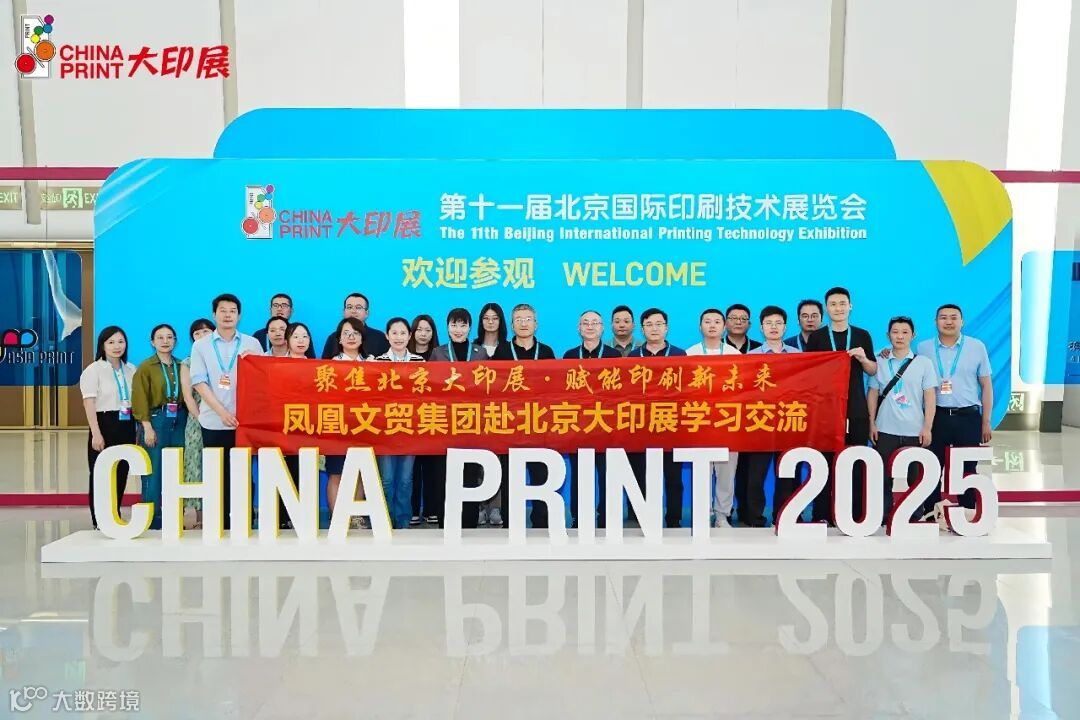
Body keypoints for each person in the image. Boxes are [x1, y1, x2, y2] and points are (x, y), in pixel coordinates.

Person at [189, 293, 263, 530]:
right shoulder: (201, 345)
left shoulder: (252, 343)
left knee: (243, 475)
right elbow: (199, 382)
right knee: (217, 475)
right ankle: (218, 523)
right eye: (223, 310)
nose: (228, 315)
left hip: (244, 422)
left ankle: (243, 523)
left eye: (232, 311)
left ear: (239, 316)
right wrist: (222, 412)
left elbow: (263, 379)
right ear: (214, 314)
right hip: (214, 420)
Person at [805, 287, 877, 524]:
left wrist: (862, 358)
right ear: (827, 308)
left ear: (850, 306)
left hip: (855, 409)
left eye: (842, 303)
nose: (838, 308)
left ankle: (854, 515)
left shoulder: (862, 335)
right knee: (823, 463)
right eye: (833, 304)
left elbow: (873, 370)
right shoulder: (817, 337)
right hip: (826, 410)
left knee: (855, 461)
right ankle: (821, 515)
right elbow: (809, 373)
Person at [916, 304, 993, 517]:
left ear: (962, 321)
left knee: (967, 468)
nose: (948, 322)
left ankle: (967, 514)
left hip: (968, 417)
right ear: (935, 322)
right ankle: (931, 513)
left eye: (953, 317)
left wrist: (986, 421)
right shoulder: (923, 348)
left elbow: (986, 385)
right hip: (936, 417)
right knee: (932, 466)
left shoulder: (976, 347)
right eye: (943, 317)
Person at [492, 304, 557, 529]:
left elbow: (555, 387)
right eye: (518, 319)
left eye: (528, 319)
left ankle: (541, 523)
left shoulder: (546, 352)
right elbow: (494, 386)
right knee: (511, 477)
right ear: (512, 325)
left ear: (536, 324)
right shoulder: (501, 352)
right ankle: (511, 523)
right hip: (511, 425)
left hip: (539, 425)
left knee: (541, 476)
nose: (523, 323)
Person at [868, 316, 937, 522]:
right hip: (884, 429)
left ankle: (914, 515)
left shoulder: (923, 363)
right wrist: (871, 423)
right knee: (882, 477)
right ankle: (882, 515)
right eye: (895, 332)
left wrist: (927, 427)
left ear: (913, 335)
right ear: (888, 335)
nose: (900, 336)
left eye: (905, 332)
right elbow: (872, 393)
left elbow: (930, 396)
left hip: (914, 430)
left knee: (915, 477)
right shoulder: (879, 361)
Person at [742, 307, 801, 528]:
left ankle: (783, 515)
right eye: (769, 323)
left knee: (787, 472)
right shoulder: (751, 357)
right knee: (756, 474)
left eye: (778, 323)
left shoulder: (798, 356)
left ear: (785, 327)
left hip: (788, 420)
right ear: (761, 327)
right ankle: (755, 518)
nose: (774, 327)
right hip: (761, 421)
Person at [628, 308, 687, 528]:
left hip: (670, 424)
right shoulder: (633, 357)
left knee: (673, 477)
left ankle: (673, 518)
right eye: (649, 324)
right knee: (641, 473)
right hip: (641, 425)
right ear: (642, 329)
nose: (654, 328)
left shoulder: (679, 355)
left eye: (659, 324)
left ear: (666, 328)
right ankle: (642, 517)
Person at [430, 308, 489, 528]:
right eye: (454, 325)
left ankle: (470, 520)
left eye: (463, 325)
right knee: (444, 473)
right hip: (444, 422)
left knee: (470, 473)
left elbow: (487, 385)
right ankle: (445, 520)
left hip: (472, 422)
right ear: (447, 327)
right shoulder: (438, 353)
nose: (458, 330)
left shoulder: (480, 353)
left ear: (470, 328)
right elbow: (430, 385)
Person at [562, 310, 621, 529]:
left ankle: (606, 518)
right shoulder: (569, 356)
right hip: (578, 427)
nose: (590, 326)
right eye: (585, 323)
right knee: (580, 475)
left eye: (594, 322)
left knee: (607, 475)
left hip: (606, 426)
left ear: (602, 328)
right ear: (578, 328)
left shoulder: (614, 356)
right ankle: (579, 518)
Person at [686, 308, 740, 528]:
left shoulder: (734, 354)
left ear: (724, 327)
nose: (712, 325)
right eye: (707, 321)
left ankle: (721, 515)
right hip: (699, 420)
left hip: (727, 421)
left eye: (717, 321)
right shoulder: (689, 354)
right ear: (700, 326)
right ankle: (702, 513)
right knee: (702, 470)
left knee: (726, 471)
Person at [80, 326, 138, 529]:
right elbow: (89, 403)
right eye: (111, 342)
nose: (116, 346)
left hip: (127, 423)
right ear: (102, 345)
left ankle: (115, 515)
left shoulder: (130, 369)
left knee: (121, 471)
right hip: (104, 423)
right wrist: (96, 433)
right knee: (100, 473)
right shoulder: (93, 370)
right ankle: (99, 520)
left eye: (120, 342)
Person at [131, 323, 187, 530]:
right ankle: (153, 519)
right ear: (152, 342)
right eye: (160, 338)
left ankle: (174, 516)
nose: (165, 341)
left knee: (177, 468)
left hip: (180, 419)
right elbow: (139, 398)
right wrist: (147, 427)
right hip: (156, 420)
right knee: (154, 471)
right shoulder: (146, 367)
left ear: (175, 341)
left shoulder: (182, 365)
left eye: (169, 337)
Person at [371, 317, 424, 529]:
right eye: (394, 333)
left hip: (410, 429)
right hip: (385, 429)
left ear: (409, 336)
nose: (399, 337)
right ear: (387, 335)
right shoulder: (378, 362)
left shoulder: (419, 362)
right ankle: (386, 521)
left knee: (405, 479)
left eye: (403, 333)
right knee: (386, 479)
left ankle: (403, 522)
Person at [323, 317, 368, 530]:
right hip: (337, 426)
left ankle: (356, 516)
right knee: (336, 472)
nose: (351, 337)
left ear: (362, 339)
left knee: (360, 471)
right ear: (339, 339)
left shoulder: (372, 365)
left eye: (356, 333)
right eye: (346, 333)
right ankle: (337, 517)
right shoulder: (329, 366)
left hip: (364, 425)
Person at [180, 318, 214, 529]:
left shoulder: (222, 358)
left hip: (223, 418)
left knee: (216, 466)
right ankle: (199, 517)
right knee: (196, 466)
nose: (202, 336)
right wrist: (201, 418)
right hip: (198, 421)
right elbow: (188, 396)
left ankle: (217, 514)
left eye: (206, 332)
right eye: (197, 333)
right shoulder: (187, 363)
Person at [407, 313, 439, 525]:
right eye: (419, 329)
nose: (423, 334)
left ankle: (431, 508)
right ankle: (412, 509)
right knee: (412, 468)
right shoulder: (405, 355)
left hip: (433, 416)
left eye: (428, 330)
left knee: (432, 467)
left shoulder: (440, 354)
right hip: (409, 418)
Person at [320, 292, 389, 359]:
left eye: (358, 307)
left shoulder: (379, 337)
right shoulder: (333, 338)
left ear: (367, 313)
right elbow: (324, 364)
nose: (353, 311)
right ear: (343, 312)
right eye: (349, 307)